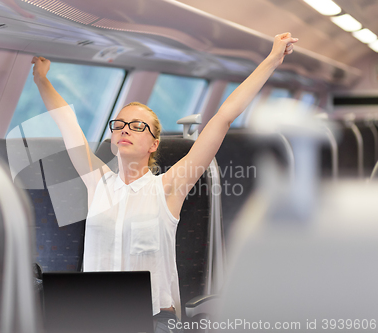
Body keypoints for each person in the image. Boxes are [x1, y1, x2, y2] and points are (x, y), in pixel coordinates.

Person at [31, 32, 298, 333]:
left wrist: (273, 59)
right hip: (93, 315)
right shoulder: (98, 183)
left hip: (152, 319)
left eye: (136, 125)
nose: (124, 129)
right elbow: (68, 123)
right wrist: (41, 78)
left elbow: (223, 117)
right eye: (118, 125)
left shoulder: (169, 187)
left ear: (154, 143)